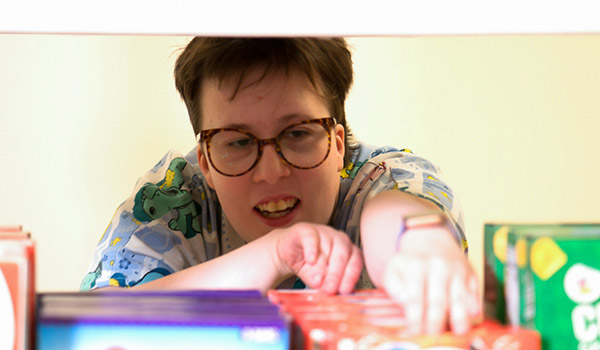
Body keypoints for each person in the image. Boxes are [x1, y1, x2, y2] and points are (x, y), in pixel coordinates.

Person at [81, 37, 481, 335]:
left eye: (298, 134)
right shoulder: (174, 197)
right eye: (237, 142)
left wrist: (418, 244)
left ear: (338, 144)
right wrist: (272, 255)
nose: (271, 172)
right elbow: (93, 321)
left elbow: (398, 208)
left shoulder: (381, 179)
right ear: (204, 161)